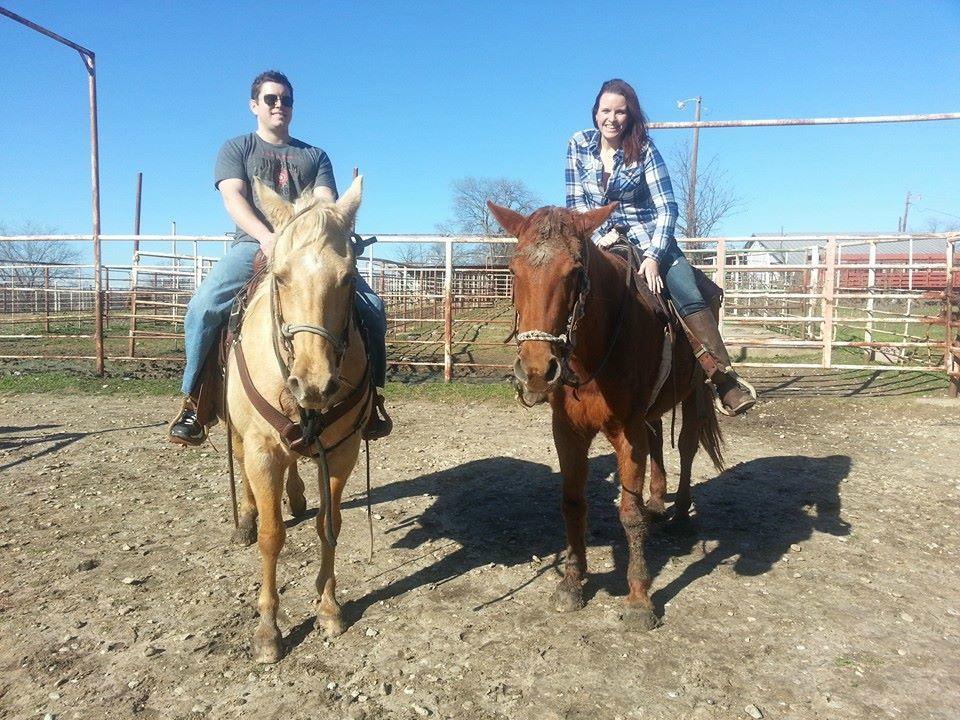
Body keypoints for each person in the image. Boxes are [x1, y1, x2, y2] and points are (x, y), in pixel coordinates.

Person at [168, 70, 391, 446]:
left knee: (373, 308)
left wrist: (314, 235)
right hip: (254, 244)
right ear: (254, 105)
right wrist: (267, 237)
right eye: (270, 99)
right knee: (203, 307)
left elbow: (324, 203)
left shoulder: (314, 156)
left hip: (308, 249)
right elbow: (233, 197)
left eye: (285, 99)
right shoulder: (238, 149)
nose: (278, 105)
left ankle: (372, 402)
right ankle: (195, 403)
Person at [565, 78, 756, 415]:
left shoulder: (645, 149)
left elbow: (667, 207)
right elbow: (576, 202)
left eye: (620, 112)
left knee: (686, 289)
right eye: (606, 110)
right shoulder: (578, 144)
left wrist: (654, 257)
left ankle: (722, 378)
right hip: (599, 240)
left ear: (630, 115)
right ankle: (551, 369)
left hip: (649, 238)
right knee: (563, 283)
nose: (612, 118)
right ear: (595, 113)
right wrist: (600, 235)